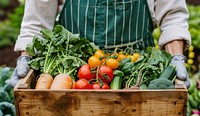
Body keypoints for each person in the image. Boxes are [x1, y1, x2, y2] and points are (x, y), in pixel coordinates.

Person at [10, 0, 191, 89]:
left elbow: (172, 15)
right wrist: (26, 58)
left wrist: (176, 57)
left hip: (136, 76)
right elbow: (37, 22)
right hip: (74, 79)